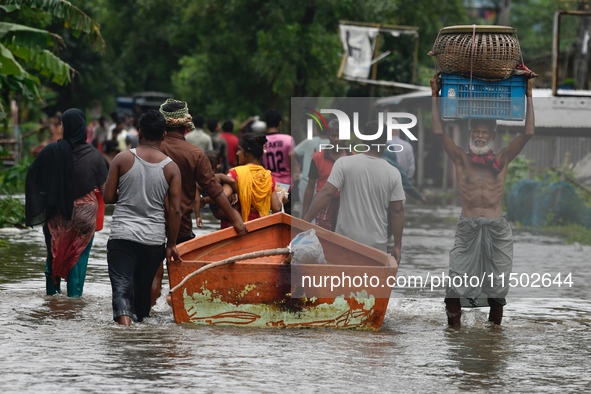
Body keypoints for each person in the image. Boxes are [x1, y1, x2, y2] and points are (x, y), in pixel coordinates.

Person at [431, 72, 535, 326]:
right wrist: (434, 94)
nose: (479, 135)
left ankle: (493, 335)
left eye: (484, 132)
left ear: (493, 135)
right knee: (454, 282)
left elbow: (529, 132)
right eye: (476, 130)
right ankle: (453, 332)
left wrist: (529, 94)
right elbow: (438, 132)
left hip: (496, 228)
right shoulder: (460, 158)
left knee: (498, 286)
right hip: (467, 228)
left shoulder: (502, 158)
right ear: (470, 133)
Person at [154, 99, 247, 303]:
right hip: (181, 225)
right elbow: (214, 190)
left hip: (149, 223)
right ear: (186, 124)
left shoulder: (151, 150)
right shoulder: (195, 154)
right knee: (181, 283)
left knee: (153, 275)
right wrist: (236, 219)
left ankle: (146, 322)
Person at [103, 110, 182, 326]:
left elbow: (108, 196)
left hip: (122, 236)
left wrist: (128, 191)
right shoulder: (171, 168)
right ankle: (141, 338)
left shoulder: (122, 159)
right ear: (163, 135)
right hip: (153, 240)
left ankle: (125, 332)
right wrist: (172, 243)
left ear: (139, 132)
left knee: (121, 289)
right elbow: (175, 210)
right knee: (142, 295)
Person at [25, 108, 108, 297]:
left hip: (56, 215)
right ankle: (74, 303)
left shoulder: (51, 151)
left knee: (54, 257)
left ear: (65, 127)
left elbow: (36, 180)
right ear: (82, 128)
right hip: (85, 217)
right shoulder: (95, 156)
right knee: (77, 259)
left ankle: (52, 300)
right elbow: (106, 193)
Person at [303, 120, 405, 264]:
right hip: (376, 244)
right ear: (384, 143)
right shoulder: (393, 173)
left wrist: (305, 222)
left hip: (345, 241)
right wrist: (397, 246)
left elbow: (327, 193)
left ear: (363, 140)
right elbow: (397, 211)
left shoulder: (344, 163)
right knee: (369, 284)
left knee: (342, 283)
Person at [221, 134, 282, 227]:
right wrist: (281, 197)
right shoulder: (267, 176)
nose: (237, 153)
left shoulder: (235, 174)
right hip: (258, 229)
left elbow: (221, 198)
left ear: (248, 153)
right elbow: (276, 208)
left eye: (239, 149)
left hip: (236, 230)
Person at [302, 119, 350, 231]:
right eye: (333, 135)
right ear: (328, 135)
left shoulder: (352, 158)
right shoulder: (318, 157)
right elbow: (310, 187)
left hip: (344, 207)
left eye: (340, 136)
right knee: (323, 239)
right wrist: (305, 214)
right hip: (322, 206)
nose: (337, 139)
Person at [291, 122, 329, 217]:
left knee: (304, 212)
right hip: (324, 184)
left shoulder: (310, 141)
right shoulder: (333, 144)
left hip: (305, 182)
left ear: (317, 129)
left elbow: (291, 154)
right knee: (321, 214)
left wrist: (296, 170)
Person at [261, 110, 295, 214]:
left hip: (268, 184)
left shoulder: (261, 141)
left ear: (266, 124)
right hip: (286, 184)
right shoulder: (288, 139)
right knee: (287, 217)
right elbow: (292, 163)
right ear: (280, 123)